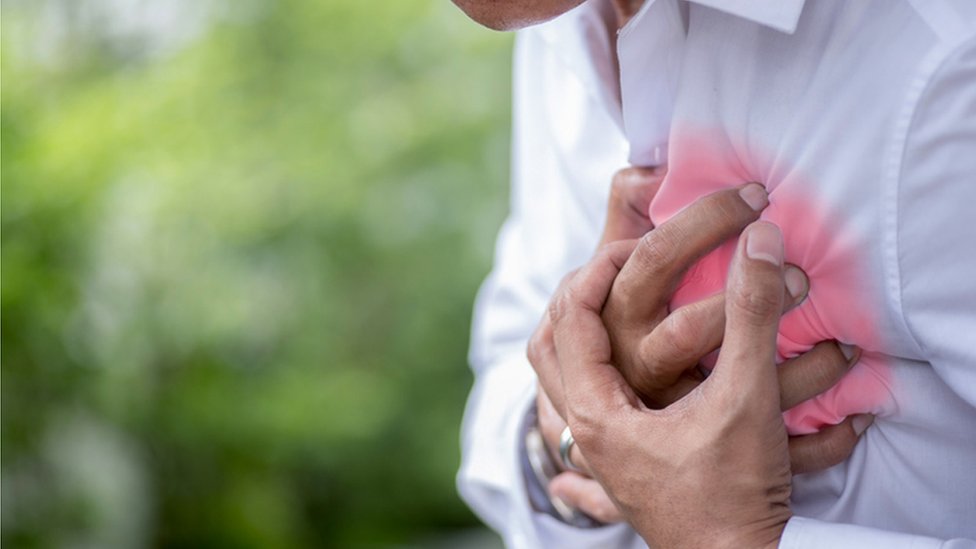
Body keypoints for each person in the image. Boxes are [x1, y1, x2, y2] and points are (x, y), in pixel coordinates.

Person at [454, 0, 976, 547]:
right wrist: (574, 437)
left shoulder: (941, 66)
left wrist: (731, 540)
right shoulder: (559, 21)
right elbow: (503, 372)